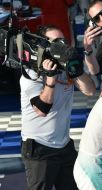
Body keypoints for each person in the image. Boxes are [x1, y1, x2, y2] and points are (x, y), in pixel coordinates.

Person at [20, 25, 96, 190]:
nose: (61, 45)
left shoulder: (66, 69)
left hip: (64, 145)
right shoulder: (31, 73)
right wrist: (50, 79)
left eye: (62, 41)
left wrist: (76, 71)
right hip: (39, 149)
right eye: (55, 42)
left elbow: (90, 91)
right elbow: (41, 109)